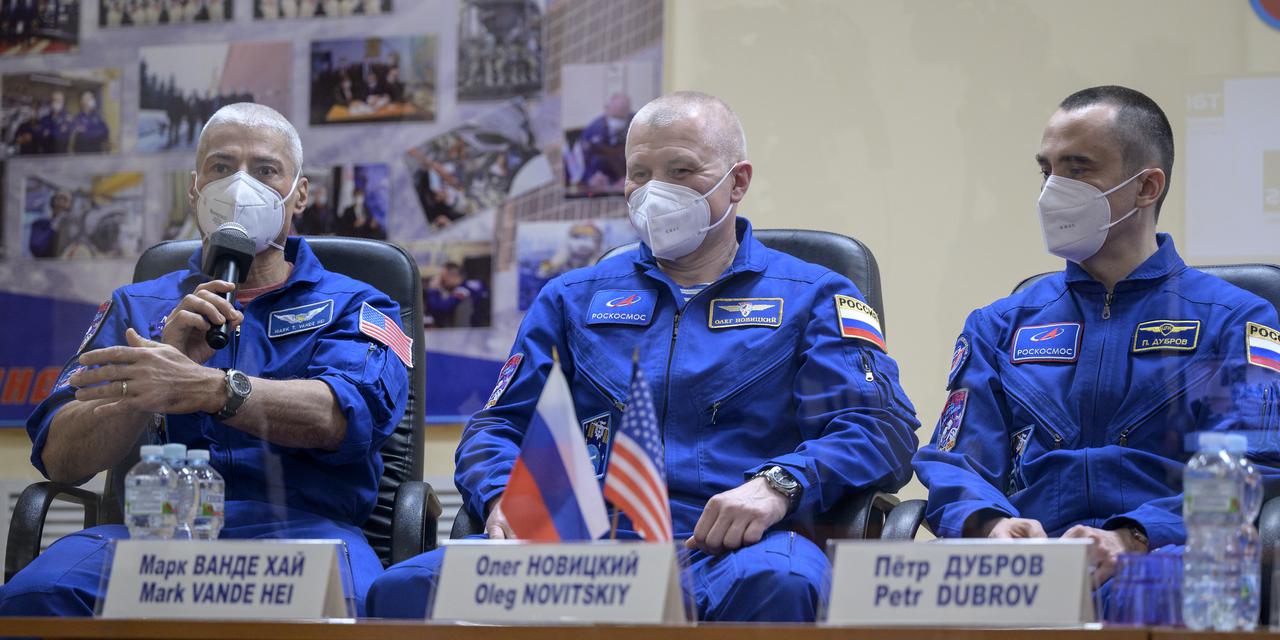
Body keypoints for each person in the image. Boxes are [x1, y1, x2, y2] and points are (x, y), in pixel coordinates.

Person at [367, 91, 920, 621]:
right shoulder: (571, 298)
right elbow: (497, 427)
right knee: (403, 590)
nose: (655, 191)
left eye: (681, 172)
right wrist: (501, 496)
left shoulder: (815, 295)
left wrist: (781, 483)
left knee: (785, 585)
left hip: (734, 548)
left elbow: (881, 429)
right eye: (640, 173)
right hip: (581, 548)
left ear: (738, 183)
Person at [0, 103, 410, 617]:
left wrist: (209, 388)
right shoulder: (137, 305)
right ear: (195, 188)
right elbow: (61, 457)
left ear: (299, 193)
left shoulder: (358, 303)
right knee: (30, 599)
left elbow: (347, 418)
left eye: (264, 170)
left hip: (305, 534)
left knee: (349, 604)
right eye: (221, 168)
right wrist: (148, 383)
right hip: (155, 536)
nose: (240, 186)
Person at [913, 85, 1280, 589]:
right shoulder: (1000, 324)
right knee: (899, 588)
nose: (1052, 189)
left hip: (1164, 556)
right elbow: (955, 462)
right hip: (1028, 566)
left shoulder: (1234, 319)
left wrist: (1133, 535)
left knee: (1141, 591)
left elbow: (1256, 461)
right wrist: (990, 523)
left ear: (1146, 187)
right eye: (1046, 170)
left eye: (1078, 168)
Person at [576, 92, 632, 194]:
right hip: (601, 180)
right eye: (614, 117)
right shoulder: (593, 130)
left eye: (621, 118)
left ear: (628, 112)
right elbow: (583, 160)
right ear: (607, 109)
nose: (617, 122)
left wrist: (631, 179)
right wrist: (592, 177)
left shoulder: (638, 126)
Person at [36, 90, 73, 155]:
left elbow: (65, 136)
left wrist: (49, 132)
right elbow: (39, 136)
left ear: (63, 102)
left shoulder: (68, 118)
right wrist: (57, 130)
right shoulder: (45, 118)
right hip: (46, 154)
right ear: (51, 102)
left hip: (62, 155)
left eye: (59, 100)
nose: (57, 102)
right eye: (54, 100)